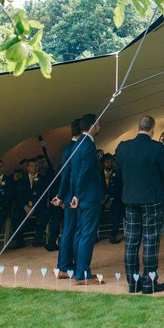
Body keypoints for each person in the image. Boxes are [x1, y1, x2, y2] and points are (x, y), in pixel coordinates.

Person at [114, 115, 164, 294]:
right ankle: (149, 283)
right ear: (152, 129)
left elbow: (119, 170)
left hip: (130, 199)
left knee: (131, 242)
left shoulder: (123, 147)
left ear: (138, 127)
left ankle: (133, 284)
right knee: (150, 241)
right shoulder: (156, 148)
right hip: (152, 200)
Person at [54, 114, 101, 282]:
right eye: (98, 123)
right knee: (86, 234)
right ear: (93, 125)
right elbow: (84, 173)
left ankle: (79, 271)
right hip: (87, 196)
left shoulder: (76, 145)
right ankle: (82, 273)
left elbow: (74, 175)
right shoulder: (87, 145)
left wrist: (74, 195)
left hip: (79, 196)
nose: (99, 126)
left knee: (80, 234)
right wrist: (78, 195)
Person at [11, 157, 49, 248]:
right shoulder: (21, 180)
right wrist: (25, 206)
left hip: (38, 205)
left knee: (46, 214)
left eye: (36, 165)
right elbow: (18, 196)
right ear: (27, 167)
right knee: (15, 216)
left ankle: (38, 238)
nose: (34, 168)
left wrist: (34, 207)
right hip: (24, 207)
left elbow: (43, 195)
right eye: (31, 166)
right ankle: (19, 240)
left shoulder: (43, 180)